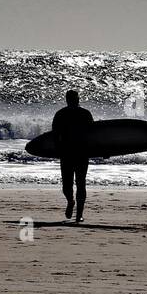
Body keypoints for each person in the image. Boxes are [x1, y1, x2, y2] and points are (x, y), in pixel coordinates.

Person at [52, 89, 94, 222]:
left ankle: (79, 214)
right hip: (66, 153)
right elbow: (54, 134)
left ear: (78, 99)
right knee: (66, 186)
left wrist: (103, 150)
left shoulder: (85, 114)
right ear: (68, 100)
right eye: (72, 99)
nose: (74, 101)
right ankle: (70, 202)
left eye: (75, 98)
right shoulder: (61, 114)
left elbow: (94, 135)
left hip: (82, 152)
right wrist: (56, 150)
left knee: (81, 184)